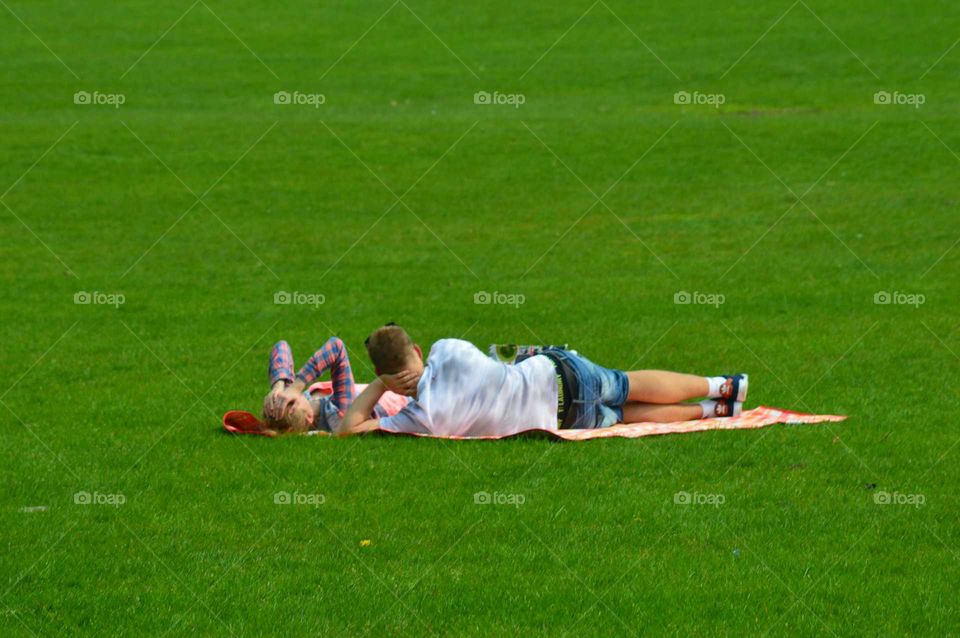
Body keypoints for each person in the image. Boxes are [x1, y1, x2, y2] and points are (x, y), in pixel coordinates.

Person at [337, 325, 748, 438]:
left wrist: (378, 388)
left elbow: (346, 431)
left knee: (625, 417)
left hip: (565, 418)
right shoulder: (448, 348)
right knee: (626, 383)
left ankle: (711, 412)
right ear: (418, 349)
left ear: (383, 373)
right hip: (556, 371)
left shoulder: (422, 418)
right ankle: (722, 386)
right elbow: (502, 353)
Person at [262, 336, 409, 434]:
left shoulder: (302, 407)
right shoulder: (340, 414)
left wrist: (278, 387)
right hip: (401, 398)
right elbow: (336, 347)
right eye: (294, 399)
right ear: (309, 418)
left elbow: (281, 346)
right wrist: (296, 387)